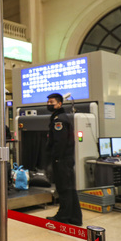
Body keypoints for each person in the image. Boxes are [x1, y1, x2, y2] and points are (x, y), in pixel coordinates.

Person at [45, 93, 82, 226]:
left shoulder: (59, 120)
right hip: (65, 160)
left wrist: (55, 159)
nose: (49, 104)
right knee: (70, 188)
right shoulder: (59, 117)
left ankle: (63, 216)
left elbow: (59, 142)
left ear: (60, 103)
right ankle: (75, 217)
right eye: (48, 102)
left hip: (61, 160)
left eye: (52, 102)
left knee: (64, 188)